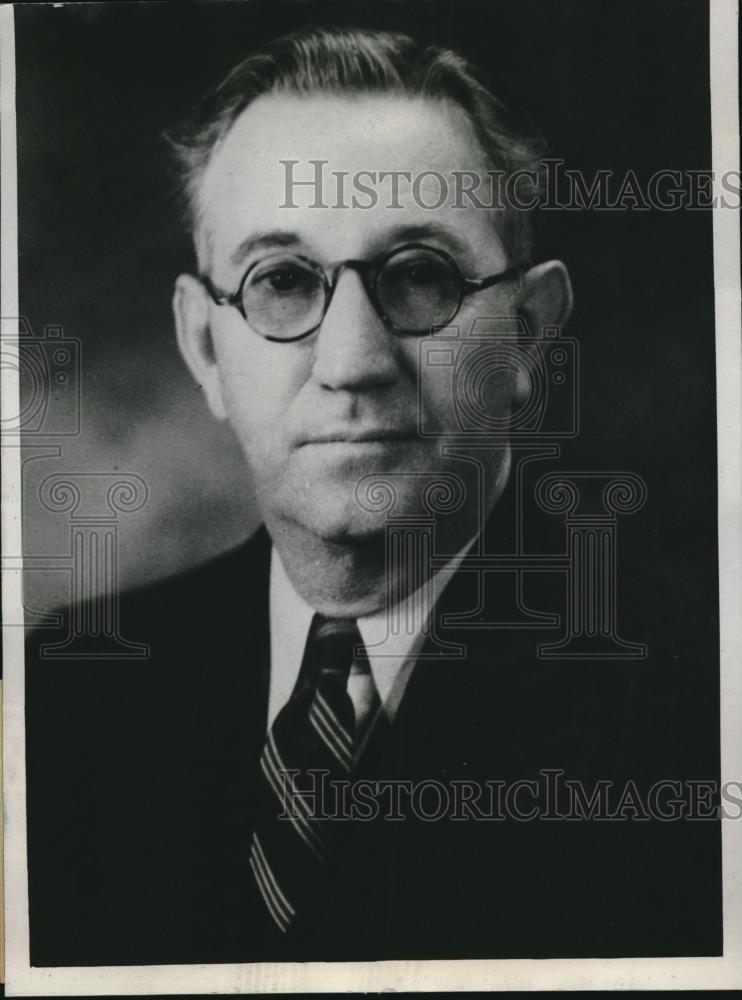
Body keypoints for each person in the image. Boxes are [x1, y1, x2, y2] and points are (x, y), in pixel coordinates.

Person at [25, 24, 721, 966]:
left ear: (527, 339)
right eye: (280, 281)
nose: (352, 363)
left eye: (422, 276)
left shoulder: (703, 714)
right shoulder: (60, 702)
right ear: (203, 349)